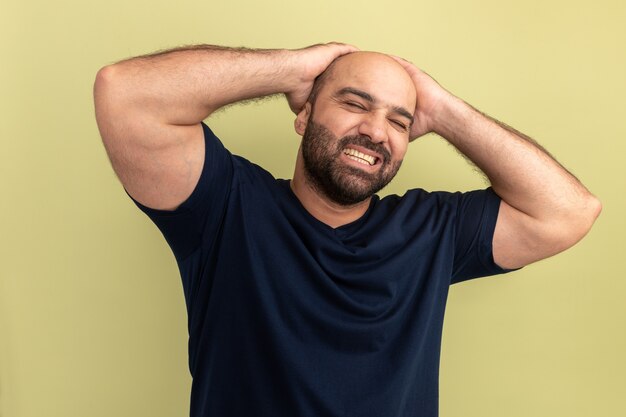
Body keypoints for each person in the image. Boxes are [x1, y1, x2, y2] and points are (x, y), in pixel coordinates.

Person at [93, 43, 601, 417]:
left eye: (400, 122)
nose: (376, 131)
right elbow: (124, 94)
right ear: (304, 113)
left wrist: (443, 111)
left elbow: (569, 212)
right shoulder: (225, 207)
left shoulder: (433, 231)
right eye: (355, 104)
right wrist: (293, 68)